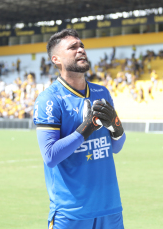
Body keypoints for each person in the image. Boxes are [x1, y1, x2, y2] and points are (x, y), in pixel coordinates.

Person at [33, 29, 126, 229]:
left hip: (110, 209)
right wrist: (85, 129)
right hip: (71, 213)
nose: (80, 50)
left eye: (81, 45)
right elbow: (50, 156)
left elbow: (116, 147)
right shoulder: (49, 99)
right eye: (72, 47)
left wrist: (116, 127)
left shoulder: (102, 92)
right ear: (56, 59)